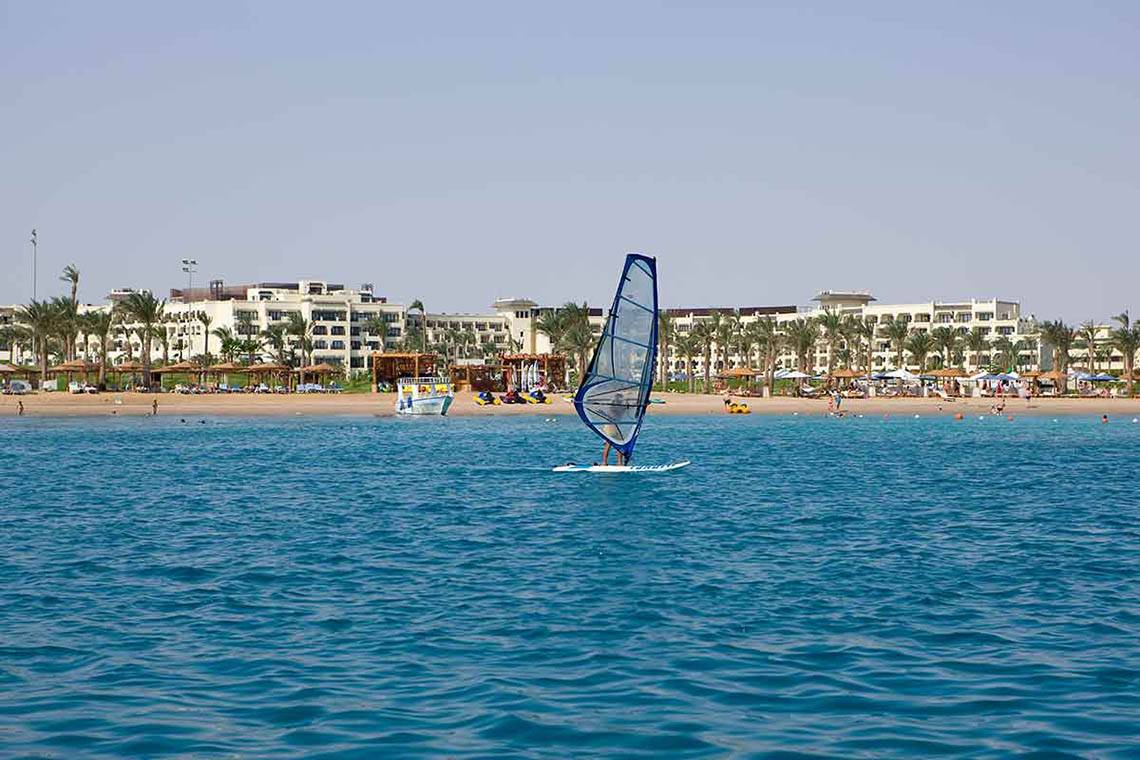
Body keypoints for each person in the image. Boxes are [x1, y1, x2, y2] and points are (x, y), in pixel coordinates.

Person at [601, 392, 627, 466]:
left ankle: (619, 463)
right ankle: (604, 462)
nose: (621, 401)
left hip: (617, 427)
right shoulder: (612, 407)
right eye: (620, 400)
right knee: (608, 444)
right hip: (610, 427)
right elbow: (617, 410)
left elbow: (628, 408)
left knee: (621, 444)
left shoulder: (621, 407)